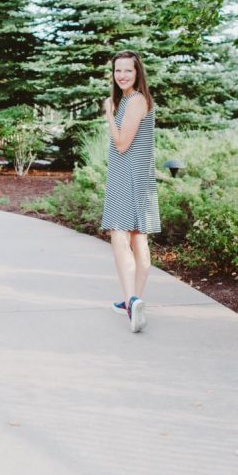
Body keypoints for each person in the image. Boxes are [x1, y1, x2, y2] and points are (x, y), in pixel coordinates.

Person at [101, 50, 161, 333]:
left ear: (138, 73)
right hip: (137, 176)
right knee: (138, 238)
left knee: (120, 236)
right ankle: (133, 303)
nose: (122, 75)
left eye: (128, 70)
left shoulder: (135, 100)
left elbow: (122, 144)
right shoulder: (130, 99)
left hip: (129, 176)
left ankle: (131, 300)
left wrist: (109, 116)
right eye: (117, 71)